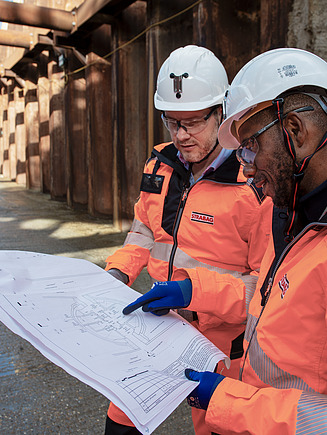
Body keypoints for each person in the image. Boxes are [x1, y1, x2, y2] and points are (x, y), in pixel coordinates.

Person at [123, 47, 327, 433]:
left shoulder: (282, 209)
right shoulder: (298, 216)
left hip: (235, 384)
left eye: (250, 146)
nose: (245, 167)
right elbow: (272, 298)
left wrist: (228, 400)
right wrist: (192, 289)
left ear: (296, 131)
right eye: (173, 122)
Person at [105, 45, 272, 434]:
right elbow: (143, 232)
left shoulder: (254, 184)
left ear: (222, 112)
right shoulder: (159, 164)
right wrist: (117, 273)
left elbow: (265, 289)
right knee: (121, 420)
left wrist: (193, 291)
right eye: (172, 121)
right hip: (158, 324)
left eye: (194, 122)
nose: (181, 135)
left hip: (222, 346)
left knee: (219, 426)